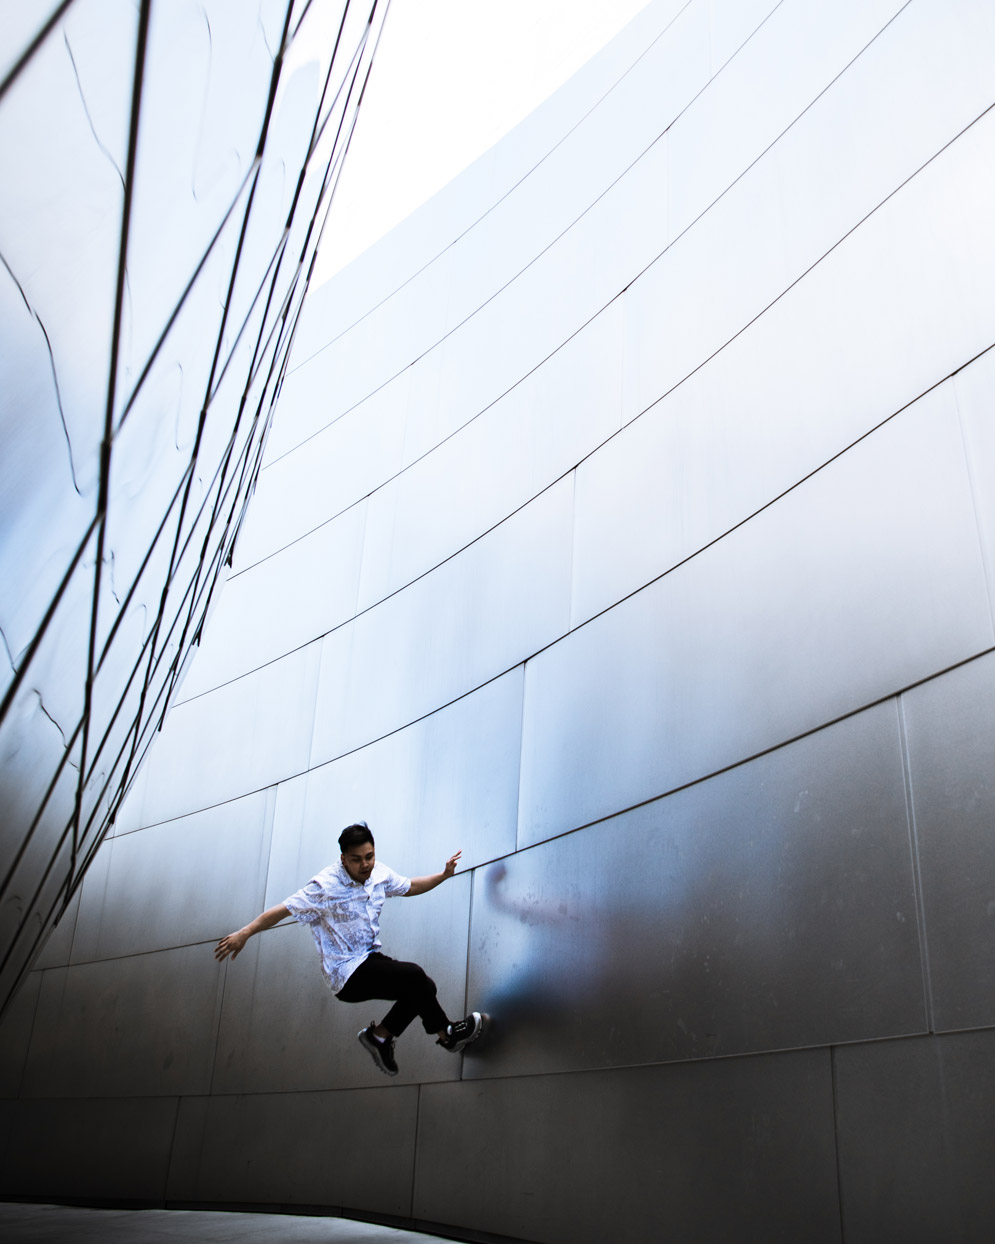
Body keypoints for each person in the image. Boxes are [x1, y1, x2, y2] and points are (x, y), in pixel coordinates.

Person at [213, 821, 485, 1076]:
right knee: (415, 976)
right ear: (343, 858)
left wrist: (443, 875)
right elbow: (282, 911)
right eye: (357, 860)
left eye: (369, 856)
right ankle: (448, 1035)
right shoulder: (324, 886)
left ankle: (380, 1037)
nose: (365, 864)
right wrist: (244, 933)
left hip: (369, 960)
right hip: (346, 974)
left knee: (425, 987)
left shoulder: (378, 873)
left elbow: (410, 886)